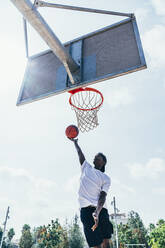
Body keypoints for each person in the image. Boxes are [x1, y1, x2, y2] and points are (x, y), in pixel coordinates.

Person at [69, 138, 113, 248]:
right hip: (85, 210)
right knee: (94, 244)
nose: (95, 157)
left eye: (99, 157)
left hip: (101, 209)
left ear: (103, 162)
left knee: (105, 241)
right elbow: (80, 154)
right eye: (95, 157)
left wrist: (97, 212)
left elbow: (103, 196)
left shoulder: (105, 178)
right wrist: (75, 143)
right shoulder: (86, 168)